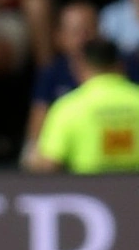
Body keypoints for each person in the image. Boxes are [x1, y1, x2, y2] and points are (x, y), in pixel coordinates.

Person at [30, 38, 139, 173]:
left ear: (81, 67)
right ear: (120, 66)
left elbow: (48, 164)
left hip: (89, 190)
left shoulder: (67, 107)